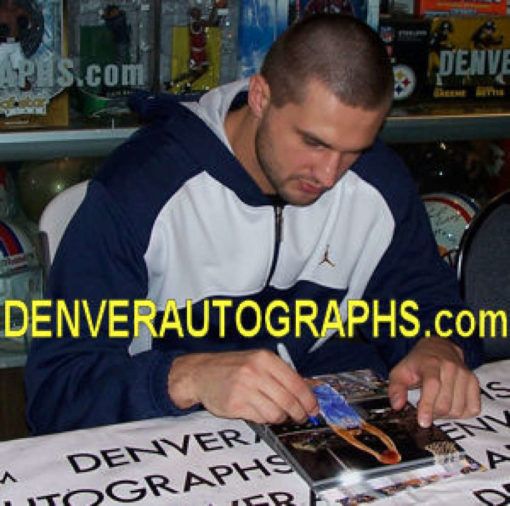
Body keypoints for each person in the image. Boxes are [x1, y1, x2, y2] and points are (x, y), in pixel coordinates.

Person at [25, 14, 482, 435]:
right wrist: (186, 377)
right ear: (261, 96)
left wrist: (438, 345)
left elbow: (425, 296)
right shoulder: (139, 189)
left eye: (354, 150)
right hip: (171, 444)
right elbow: (57, 390)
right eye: (313, 142)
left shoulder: (378, 181)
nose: (328, 175)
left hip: (326, 437)